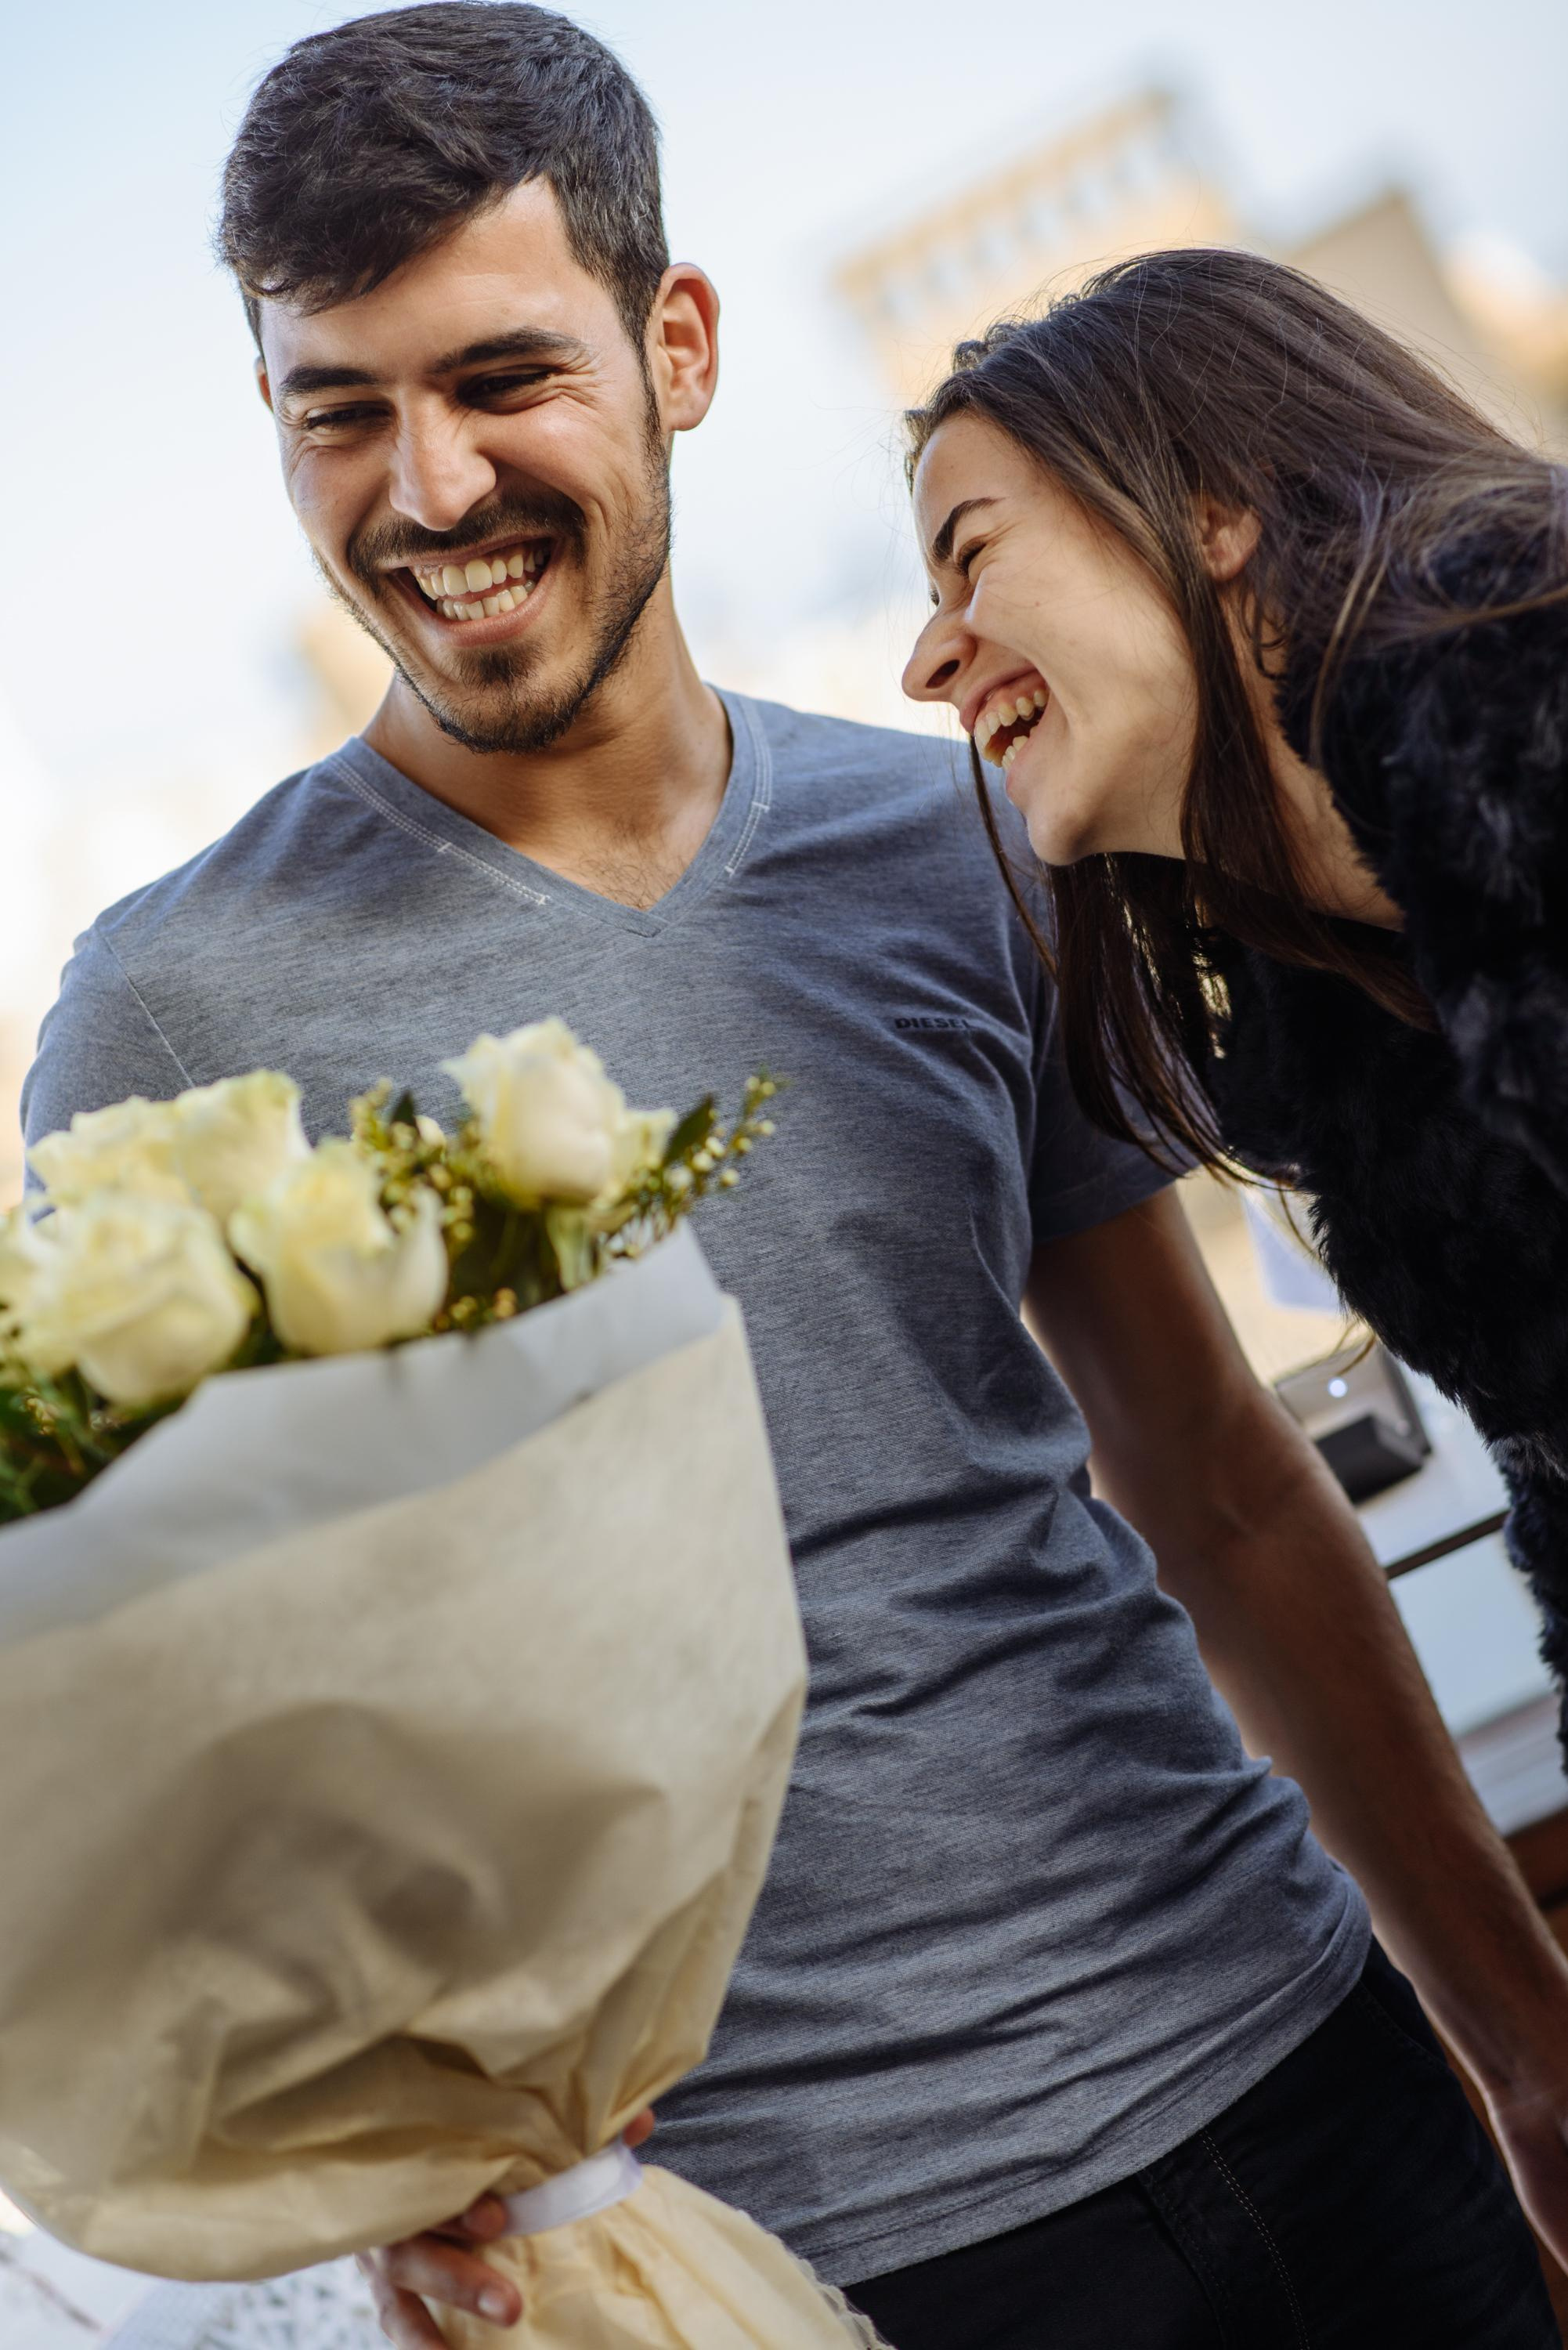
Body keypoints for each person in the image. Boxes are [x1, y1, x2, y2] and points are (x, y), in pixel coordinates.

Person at [21, 11, 1568, 2345]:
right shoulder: (167, 1018)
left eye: (499, 379)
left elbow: (1218, 1485)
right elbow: (137, 1740)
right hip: (800, 2260)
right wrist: (367, 2161)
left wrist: (1519, 2034)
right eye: (337, 410)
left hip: (1302, 2072)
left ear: (679, 347)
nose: (426, 488)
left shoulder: (967, 835)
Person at [901, 242, 1568, 1741]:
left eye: (973, 556)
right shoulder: (1356, 1027)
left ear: (1209, 505)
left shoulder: (1537, 693)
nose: (928, 663)